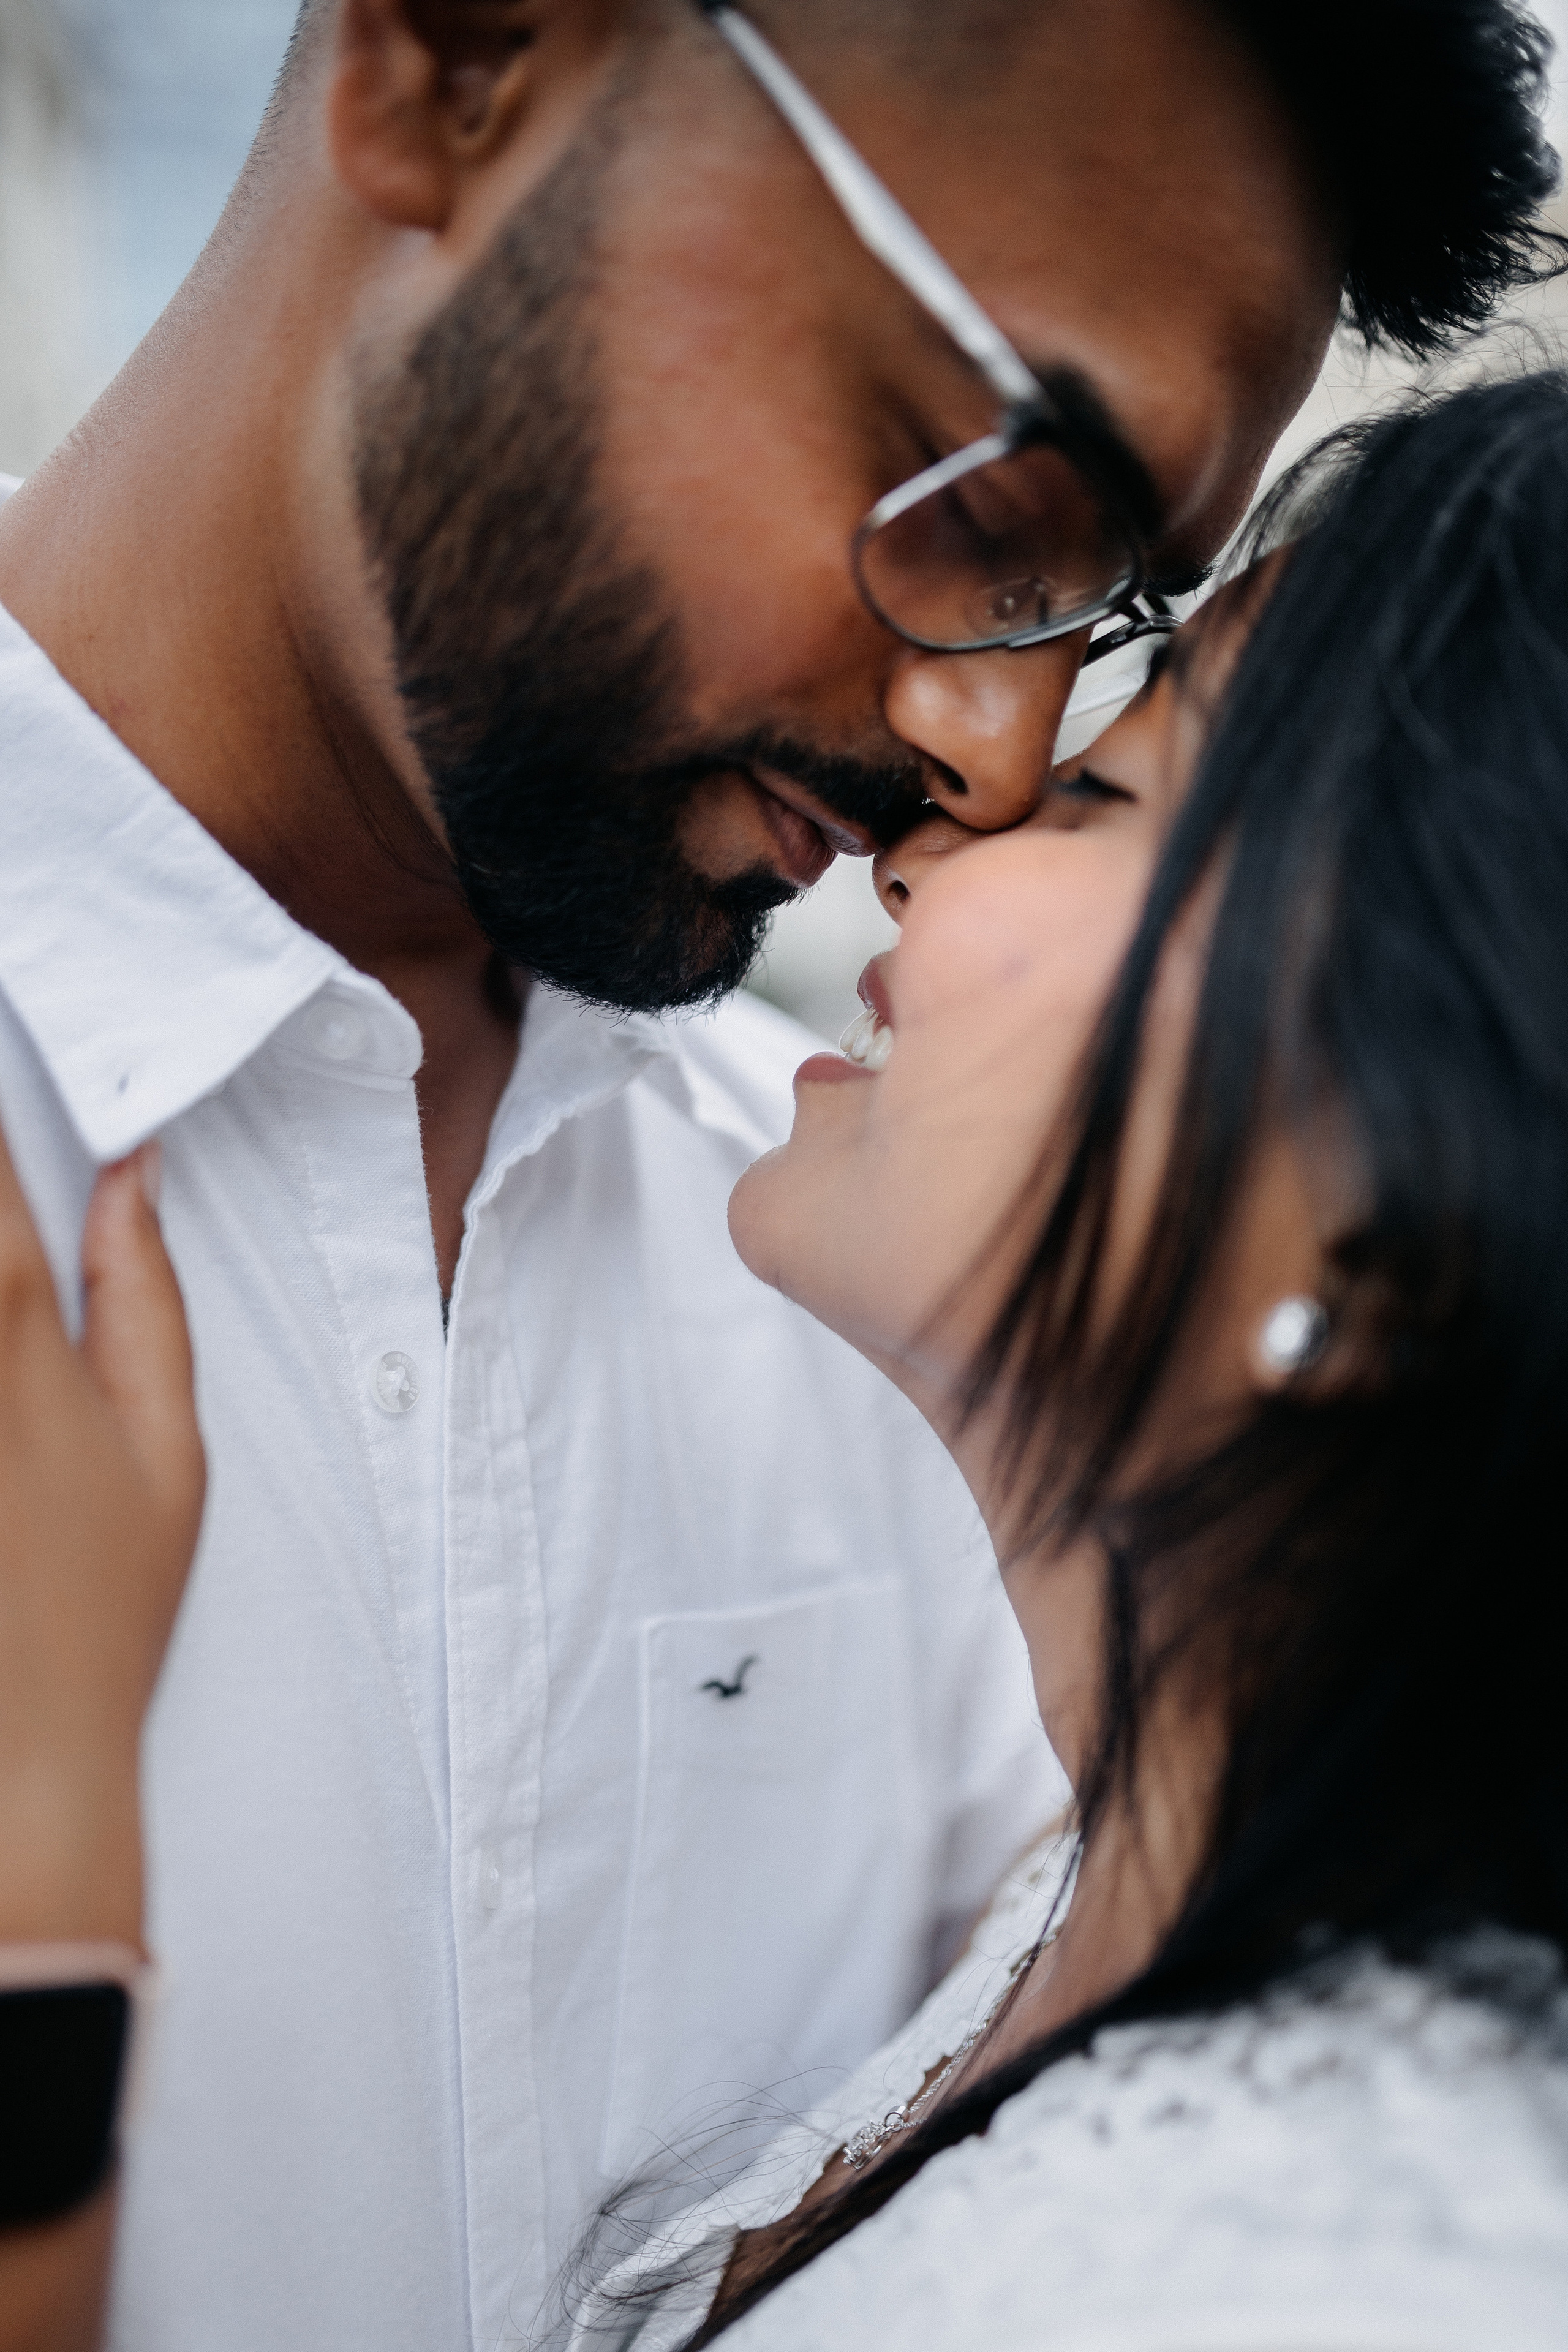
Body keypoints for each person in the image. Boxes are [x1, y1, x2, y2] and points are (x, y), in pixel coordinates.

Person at [0, 2, 1555, 2346]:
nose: (992, 748)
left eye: (1100, 627)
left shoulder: (916, 1335)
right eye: (986, 499)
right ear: (462, 61)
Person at [560, 370, 1568, 2347]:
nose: (950, 819)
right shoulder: (1134, 1895)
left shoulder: (1339, 2275)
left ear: (1405, 1218)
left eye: (1112, 791)